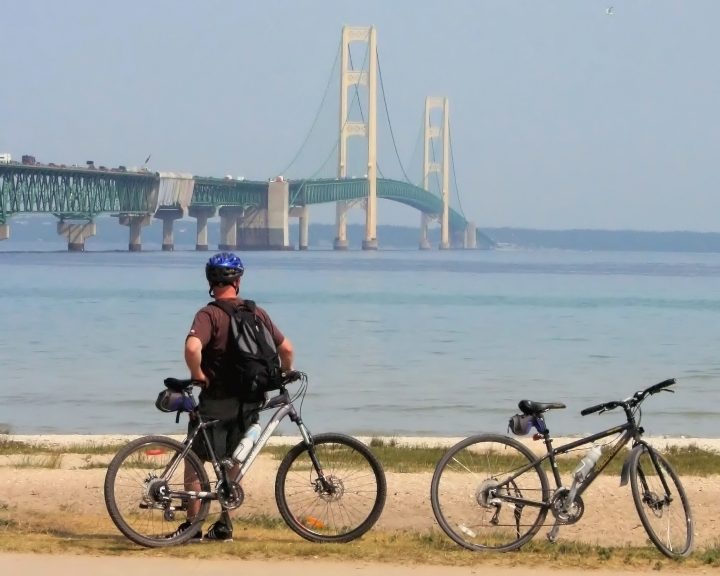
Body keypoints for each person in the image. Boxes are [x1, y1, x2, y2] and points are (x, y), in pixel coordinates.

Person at [169, 251, 294, 542]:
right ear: (238, 281)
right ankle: (224, 525)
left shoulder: (208, 314)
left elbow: (191, 348)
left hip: (215, 399)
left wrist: (197, 373)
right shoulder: (256, 312)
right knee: (233, 461)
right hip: (248, 400)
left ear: (211, 282)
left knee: (196, 460)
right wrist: (285, 373)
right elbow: (286, 349)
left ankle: (192, 527)